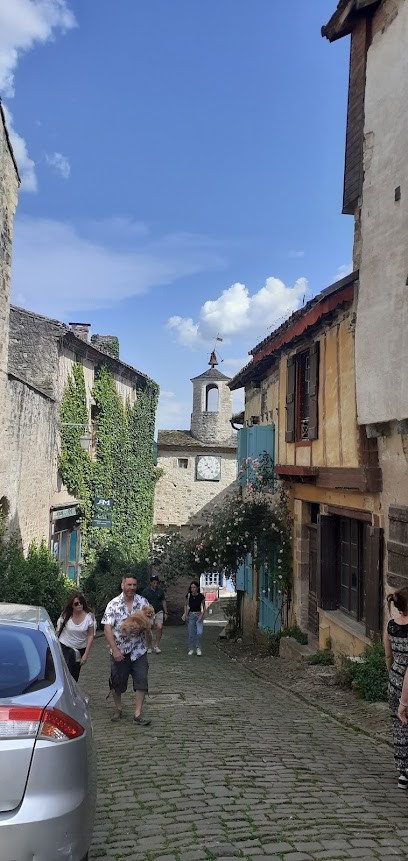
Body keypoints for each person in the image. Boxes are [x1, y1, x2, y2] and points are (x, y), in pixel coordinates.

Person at [101, 575, 151, 725]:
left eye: (134, 585)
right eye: (129, 584)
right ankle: (118, 709)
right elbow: (107, 628)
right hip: (120, 651)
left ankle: (137, 714)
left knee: (141, 679)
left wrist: (142, 627)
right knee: (118, 683)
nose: (132, 587)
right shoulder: (113, 604)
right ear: (122, 585)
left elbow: (151, 621)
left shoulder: (143, 602)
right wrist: (114, 650)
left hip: (139, 650)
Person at [384, 587, 408, 789]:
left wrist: (392, 675)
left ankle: (403, 772)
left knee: (399, 727)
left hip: (394, 680)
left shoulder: (391, 626)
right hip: (406, 683)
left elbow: (388, 655)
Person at [56, 592, 94, 682]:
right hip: (65, 646)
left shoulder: (89, 618)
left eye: (81, 602)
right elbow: (57, 630)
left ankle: (72, 693)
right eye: (76, 604)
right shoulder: (65, 616)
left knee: (74, 674)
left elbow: (90, 635)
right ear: (72, 605)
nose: (79, 605)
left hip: (80, 648)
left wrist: (86, 654)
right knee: (65, 671)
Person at [142, 573, 168, 654]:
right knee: (148, 629)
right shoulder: (145, 591)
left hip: (159, 611)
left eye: (156, 583)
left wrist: (166, 612)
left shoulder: (160, 591)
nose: (155, 584)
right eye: (154, 583)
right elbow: (142, 603)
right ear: (150, 583)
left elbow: (163, 601)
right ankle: (148, 646)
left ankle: (156, 646)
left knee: (159, 627)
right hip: (149, 614)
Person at [184, 580, 206, 656]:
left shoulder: (201, 596)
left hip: (198, 614)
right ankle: (191, 648)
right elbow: (186, 605)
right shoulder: (189, 595)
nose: (193, 589)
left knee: (199, 632)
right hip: (191, 615)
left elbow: (203, 607)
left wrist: (201, 616)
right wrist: (186, 614)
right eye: (191, 587)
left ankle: (198, 648)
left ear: (197, 588)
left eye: (194, 587)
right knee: (191, 633)